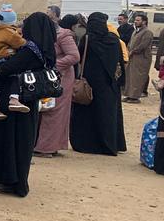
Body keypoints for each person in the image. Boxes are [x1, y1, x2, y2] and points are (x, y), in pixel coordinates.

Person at [0, 12, 55, 197]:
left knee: (8, 141)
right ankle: (18, 180)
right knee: (23, 141)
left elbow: (7, 69)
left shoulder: (29, 50)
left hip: (12, 99)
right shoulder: (45, 50)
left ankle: (8, 180)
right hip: (29, 100)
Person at [70, 13, 127, 156]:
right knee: (107, 114)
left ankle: (87, 144)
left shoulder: (87, 39)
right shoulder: (114, 40)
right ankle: (109, 144)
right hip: (108, 84)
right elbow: (120, 62)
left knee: (87, 114)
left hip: (88, 83)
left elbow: (79, 57)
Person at [34, 14, 81, 157]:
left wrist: (52, 65)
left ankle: (46, 148)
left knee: (54, 110)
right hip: (49, 77)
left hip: (61, 77)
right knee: (46, 109)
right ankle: (49, 145)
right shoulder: (45, 34)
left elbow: (74, 56)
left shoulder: (63, 35)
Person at [0, 5, 29, 118]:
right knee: (14, 77)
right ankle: (14, 99)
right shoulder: (9, 32)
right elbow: (20, 43)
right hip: (4, 60)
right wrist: (26, 42)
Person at [124, 14, 154, 103]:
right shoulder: (135, 31)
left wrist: (133, 51)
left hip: (141, 58)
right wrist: (128, 51)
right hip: (132, 58)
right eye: (135, 20)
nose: (135, 22)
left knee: (138, 78)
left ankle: (135, 97)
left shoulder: (147, 32)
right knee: (130, 76)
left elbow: (143, 45)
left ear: (144, 22)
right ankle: (129, 95)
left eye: (138, 20)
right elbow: (130, 43)